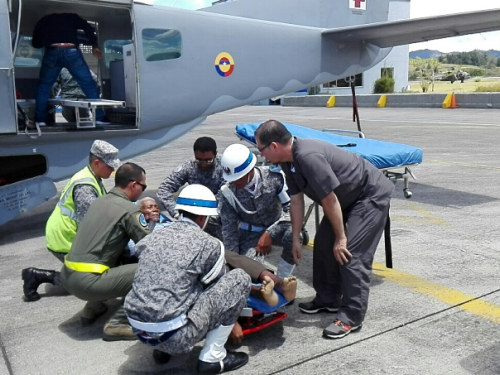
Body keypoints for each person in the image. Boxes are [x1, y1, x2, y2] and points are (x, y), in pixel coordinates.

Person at [255, 120, 394, 339]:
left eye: (260, 149)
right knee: (322, 246)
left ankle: (351, 317)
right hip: (344, 201)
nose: (261, 156)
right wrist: (295, 238)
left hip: (367, 196)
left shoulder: (308, 157)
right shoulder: (287, 161)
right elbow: (296, 200)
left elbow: (329, 200)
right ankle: (328, 299)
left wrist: (340, 238)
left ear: (273, 146)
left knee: (350, 254)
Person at [124, 185, 251, 373]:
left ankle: (160, 350)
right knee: (240, 279)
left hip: (139, 330)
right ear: (203, 217)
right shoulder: (209, 244)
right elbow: (215, 289)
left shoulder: (153, 236)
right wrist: (233, 320)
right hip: (177, 337)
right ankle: (213, 358)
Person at [60, 162, 150, 341]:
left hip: (67, 276)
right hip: (87, 283)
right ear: (133, 185)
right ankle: (117, 323)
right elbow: (152, 246)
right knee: (152, 271)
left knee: (110, 254)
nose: (143, 191)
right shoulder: (129, 210)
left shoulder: (99, 200)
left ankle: (93, 308)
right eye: (143, 186)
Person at [21, 140, 120, 302]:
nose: (113, 169)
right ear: (96, 163)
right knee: (91, 282)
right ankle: (37, 276)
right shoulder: (86, 188)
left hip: (66, 234)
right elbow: (89, 227)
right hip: (65, 239)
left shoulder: (92, 177)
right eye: (110, 166)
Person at [218, 143, 296, 279]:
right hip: (250, 234)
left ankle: (284, 279)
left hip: (278, 228)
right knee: (249, 272)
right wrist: (233, 262)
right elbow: (229, 230)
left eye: (238, 178)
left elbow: (292, 209)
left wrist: (270, 233)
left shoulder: (275, 177)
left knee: (295, 234)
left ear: (249, 171)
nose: (235, 182)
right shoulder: (227, 192)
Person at [31, 13, 110, 127]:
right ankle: (99, 117)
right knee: (88, 84)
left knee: (44, 86)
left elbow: (35, 42)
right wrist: (94, 45)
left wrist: (47, 42)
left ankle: (40, 120)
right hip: (71, 51)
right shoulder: (73, 17)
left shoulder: (44, 19)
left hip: (52, 51)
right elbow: (87, 27)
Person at [157, 136, 224, 238]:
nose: (204, 164)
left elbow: (225, 194)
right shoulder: (189, 166)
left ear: (215, 154)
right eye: (199, 160)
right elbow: (164, 189)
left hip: (219, 222)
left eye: (208, 160)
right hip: (193, 222)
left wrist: (211, 216)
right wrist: (176, 213)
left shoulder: (224, 166)